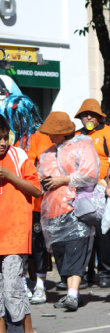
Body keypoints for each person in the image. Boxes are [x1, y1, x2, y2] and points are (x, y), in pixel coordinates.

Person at [37, 112, 100, 311]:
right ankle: (72, 292)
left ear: (64, 133)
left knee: (76, 250)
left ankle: (73, 295)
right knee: (62, 253)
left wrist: (63, 180)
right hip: (54, 211)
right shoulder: (46, 154)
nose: (50, 136)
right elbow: (40, 180)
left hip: (76, 208)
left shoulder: (83, 146)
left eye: (54, 133)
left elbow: (90, 175)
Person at [0, 114, 41, 333]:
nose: (3, 143)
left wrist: (10, 177)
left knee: (13, 286)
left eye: (5, 137)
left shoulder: (19, 156)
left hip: (14, 233)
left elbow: (36, 189)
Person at [3, 94, 51, 304]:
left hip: (42, 201)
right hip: (17, 206)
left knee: (39, 245)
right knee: (28, 246)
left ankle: (40, 283)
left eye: (18, 115)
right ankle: (24, 282)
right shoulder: (17, 140)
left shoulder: (43, 137)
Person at [74, 99, 110, 288]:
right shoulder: (76, 136)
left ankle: (107, 272)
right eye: (85, 114)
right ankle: (85, 273)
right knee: (83, 234)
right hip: (83, 192)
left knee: (106, 233)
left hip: (105, 191)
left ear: (100, 116)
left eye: (92, 114)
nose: (89, 117)